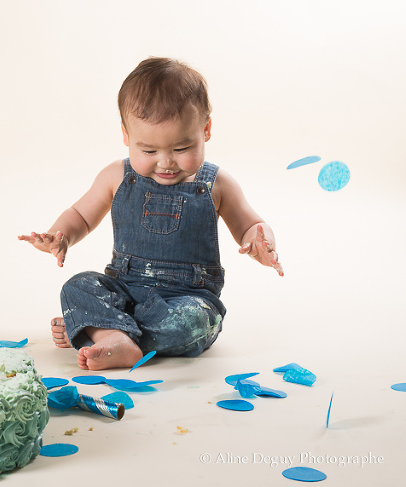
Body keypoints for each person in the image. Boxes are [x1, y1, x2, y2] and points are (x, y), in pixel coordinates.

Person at [19, 57, 283, 371]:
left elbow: (250, 223)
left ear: (206, 130)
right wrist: (59, 236)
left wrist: (260, 242)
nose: (166, 162)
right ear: (126, 136)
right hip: (125, 290)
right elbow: (80, 214)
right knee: (78, 286)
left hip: (186, 298)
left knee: (197, 322)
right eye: (148, 151)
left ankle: (101, 331)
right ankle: (110, 332)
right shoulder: (116, 176)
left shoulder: (216, 184)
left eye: (182, 148)